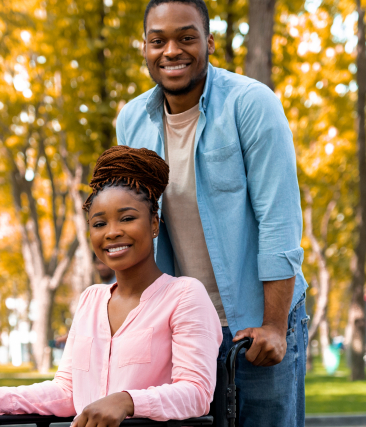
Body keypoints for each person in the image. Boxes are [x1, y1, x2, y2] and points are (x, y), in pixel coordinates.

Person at [116, 1, 309, 425]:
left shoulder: (251, 104)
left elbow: (279, 219)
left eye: (186, 37)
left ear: (209, 43)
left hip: (256, 323)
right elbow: (133, 229)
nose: (172, 51)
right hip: (183, 329)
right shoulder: (131, 121)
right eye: (158, 40)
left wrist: (275, 326)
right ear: (145, 48)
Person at [0, 146, 222, 427]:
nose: (112, 232)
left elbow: (196, 393)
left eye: (127, 218)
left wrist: (126, 401)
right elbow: (67, 391)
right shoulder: (91, 300)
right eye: (99, 223)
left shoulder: (184, 296)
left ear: (154, 223)